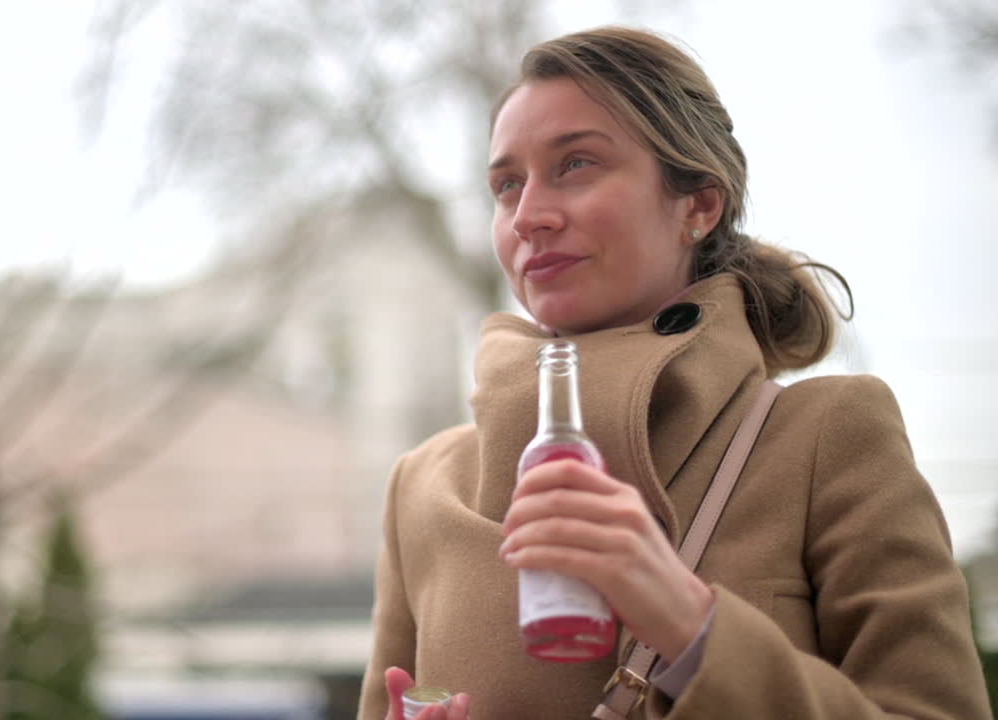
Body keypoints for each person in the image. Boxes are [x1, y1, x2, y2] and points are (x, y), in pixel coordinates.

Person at [356, 25, 991, 720]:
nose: (529, 215)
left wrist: (695, 632)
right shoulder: (423, 485)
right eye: (507, 185)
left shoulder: (826, 437)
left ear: (698, 205)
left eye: (576, 164)